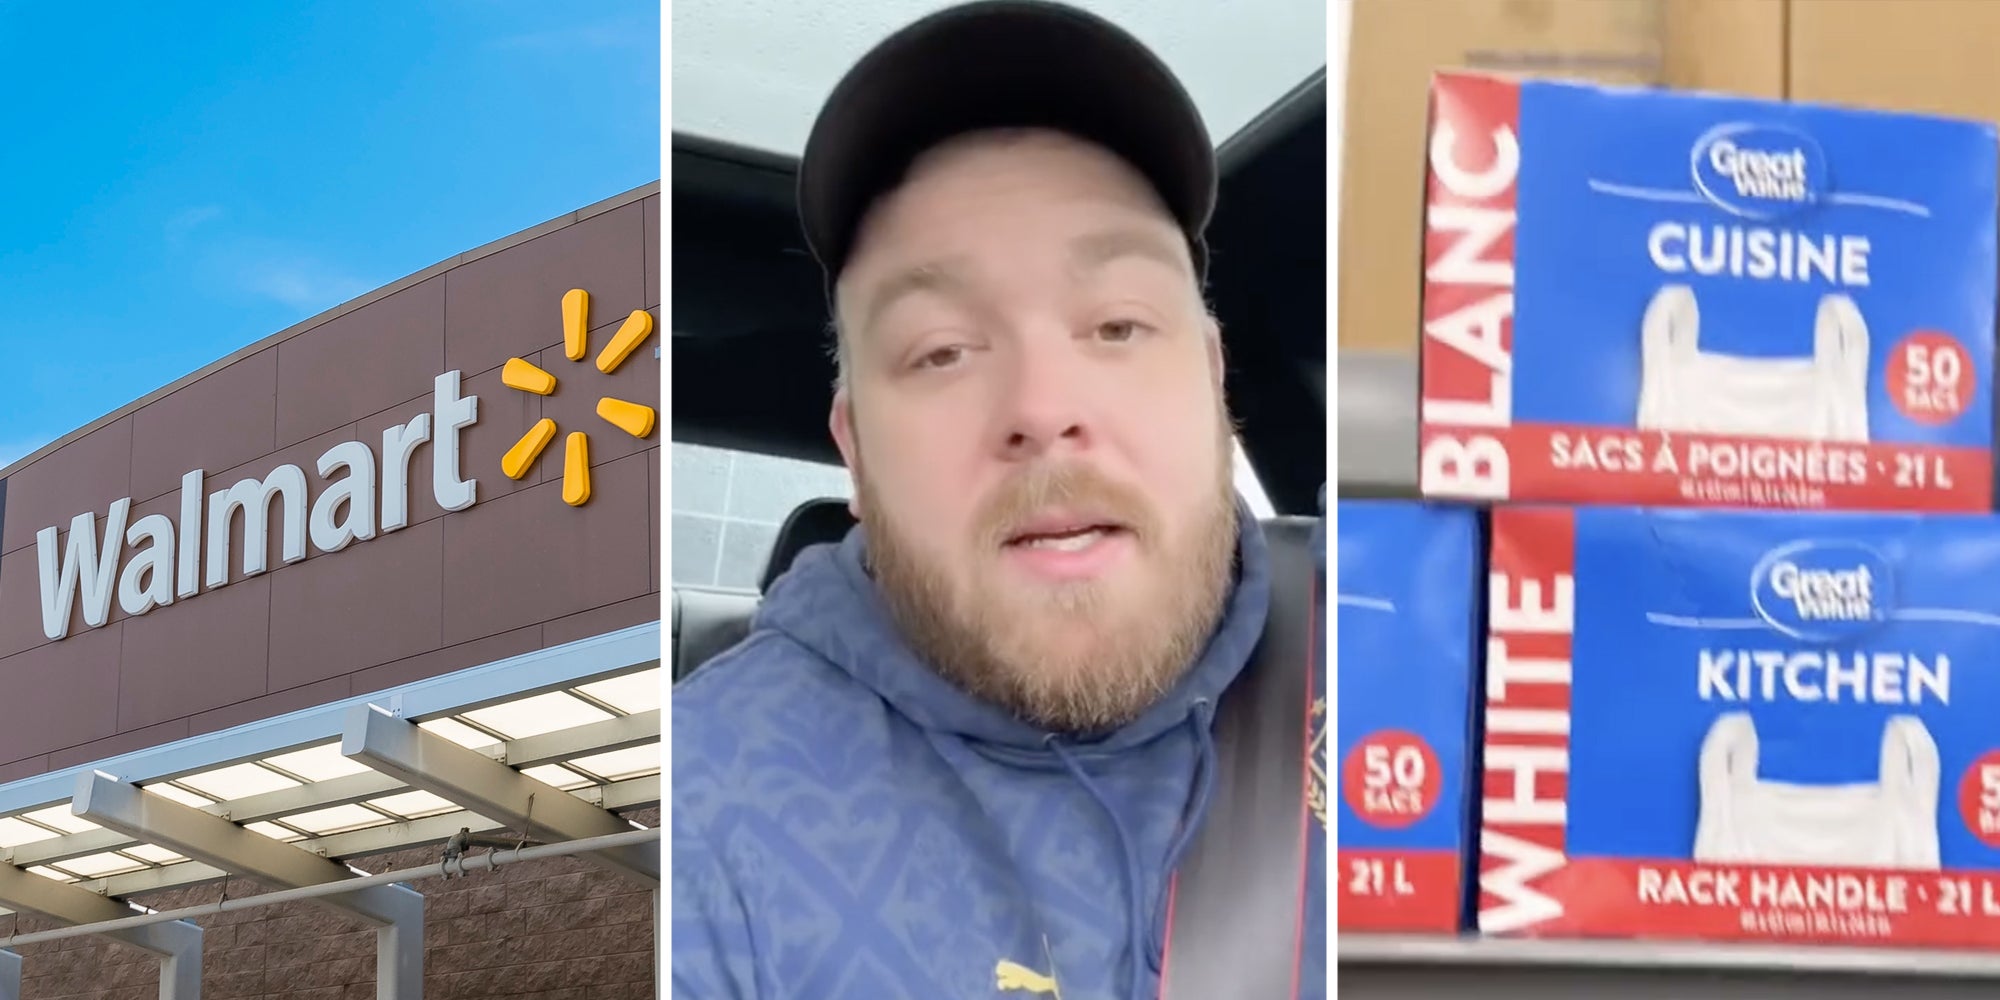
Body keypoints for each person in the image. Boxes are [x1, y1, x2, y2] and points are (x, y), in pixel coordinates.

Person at [671, 3, 1325, 997]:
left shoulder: (1444, 647)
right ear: (854, 454)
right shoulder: (704, 810)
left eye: (1113, 325)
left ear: (1211, 383)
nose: (1040, 408)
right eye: (940, 350)